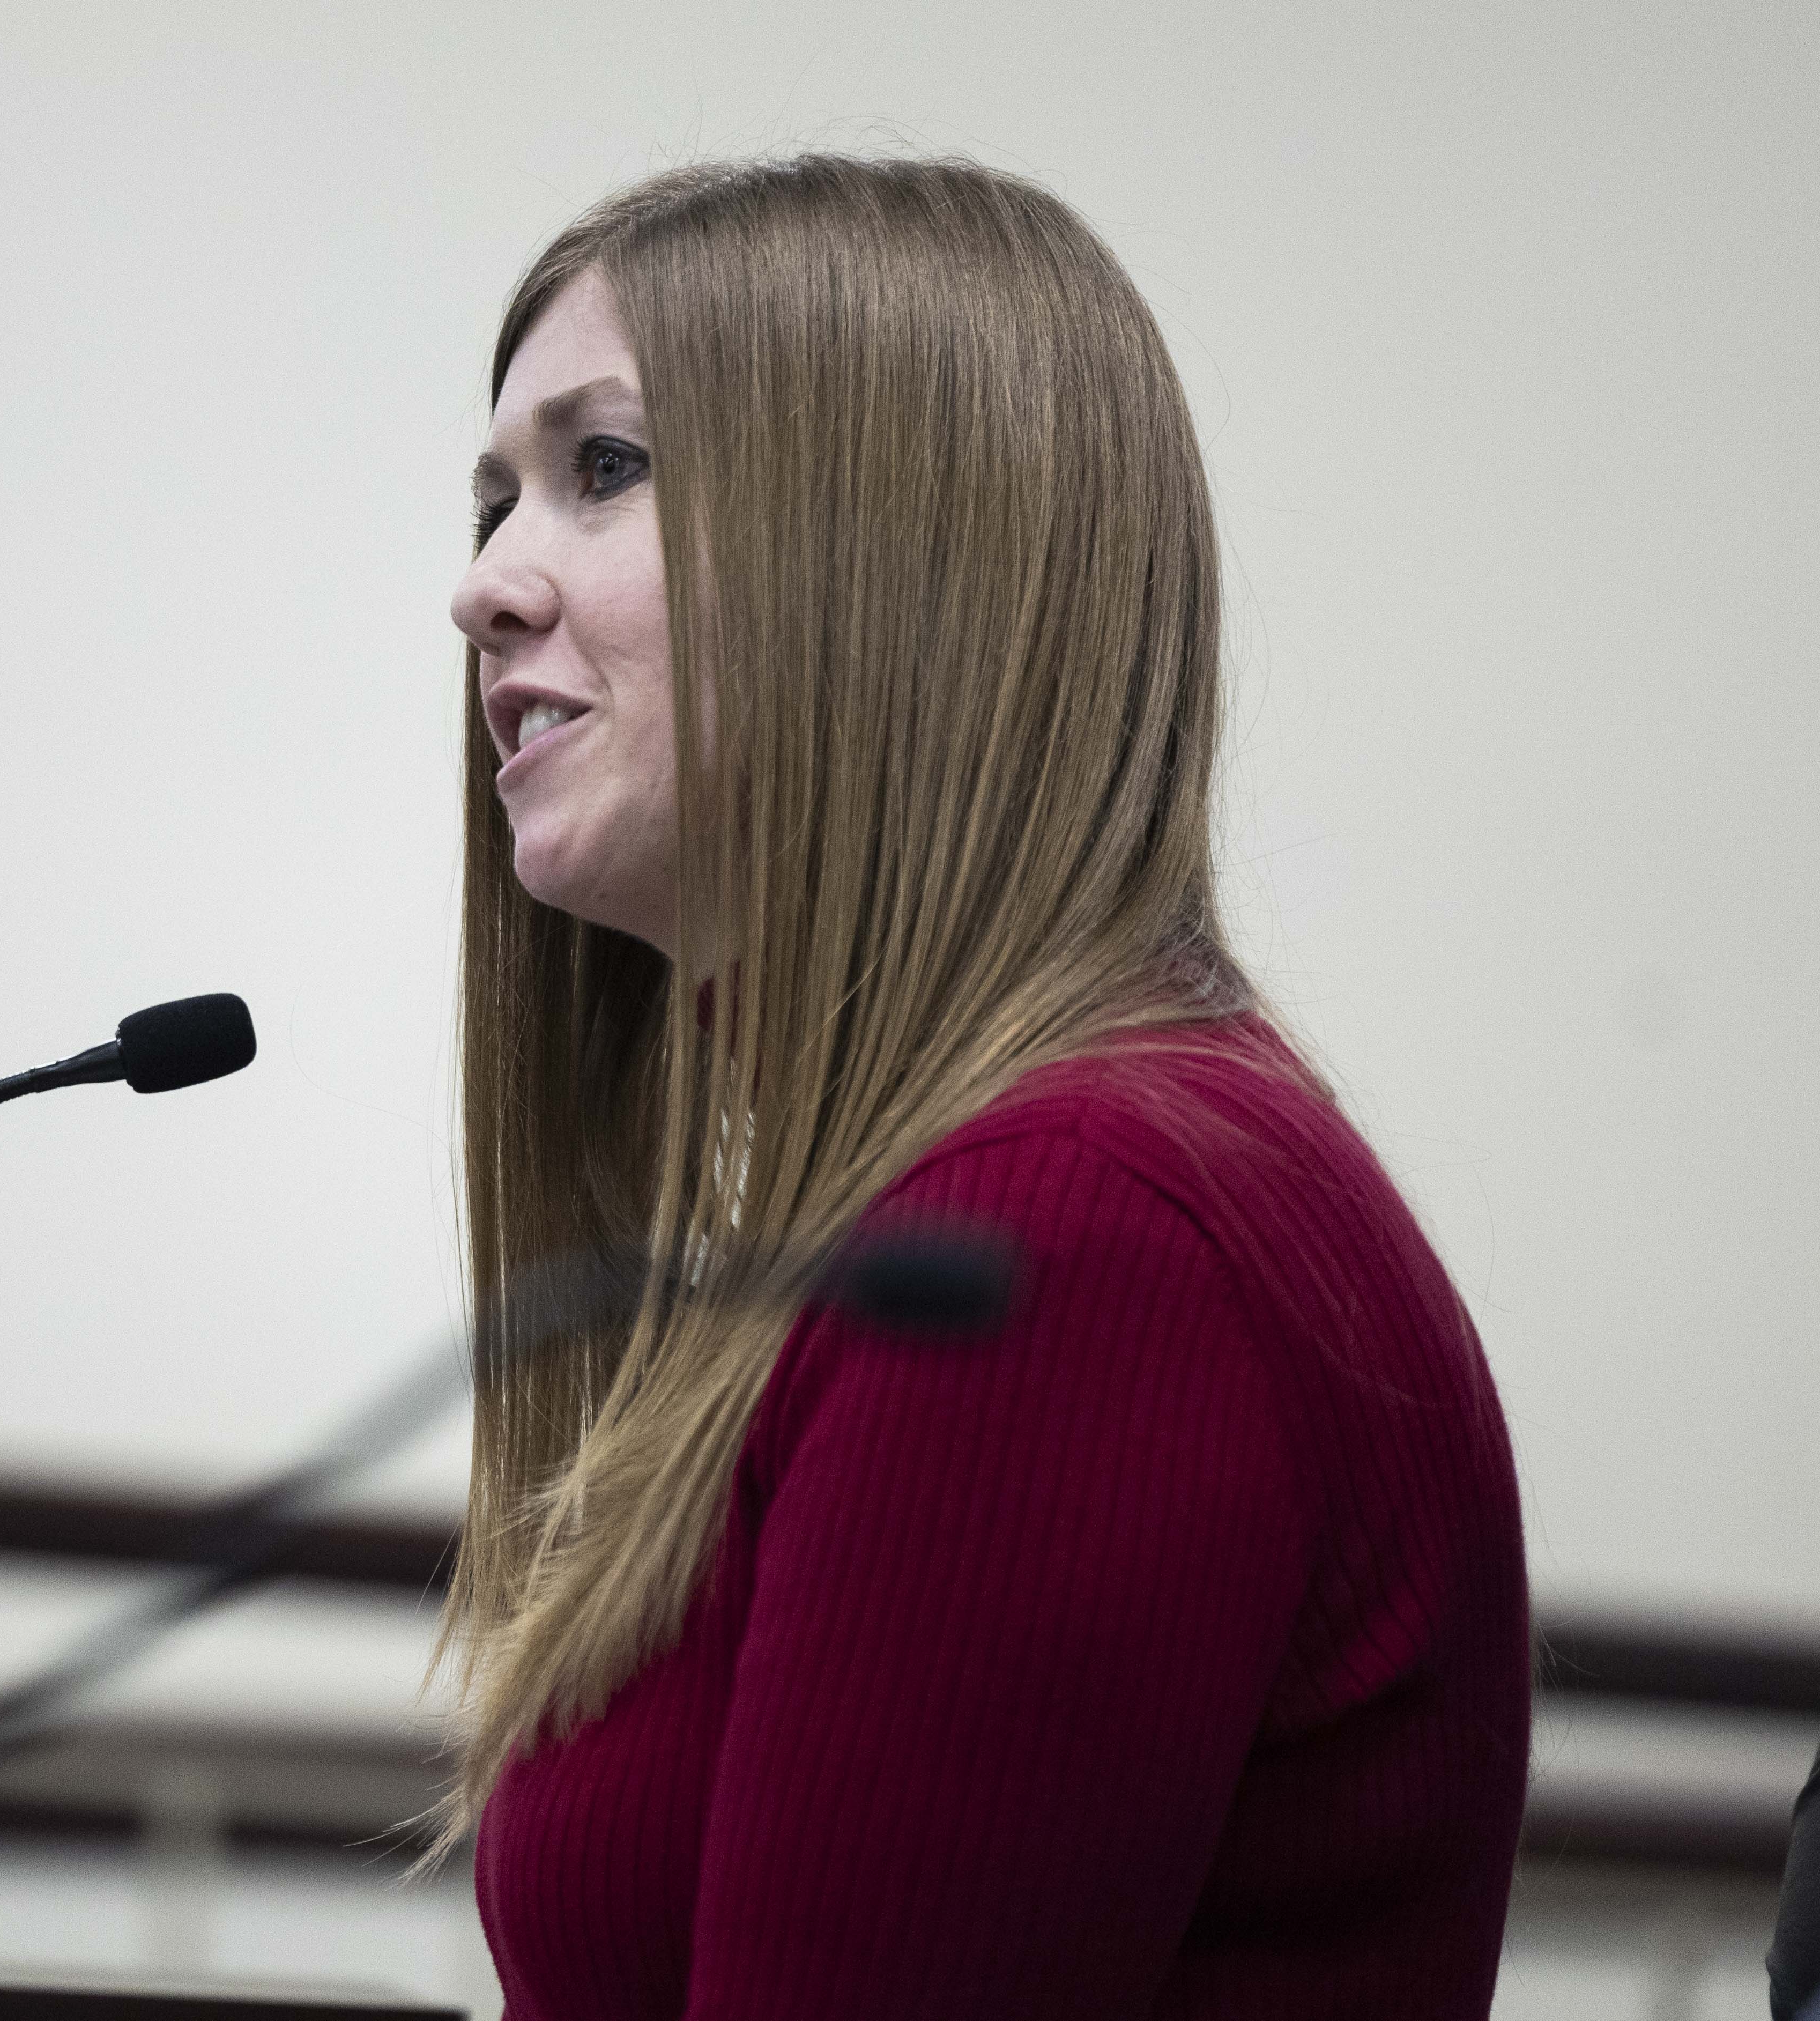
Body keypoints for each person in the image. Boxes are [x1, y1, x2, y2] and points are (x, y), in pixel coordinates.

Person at [436, 154, 1531, 2019]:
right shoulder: (987, 1198)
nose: (483, 586)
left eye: (602, 466)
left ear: (894, 553)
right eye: (490, 499)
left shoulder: (1072, 1238)